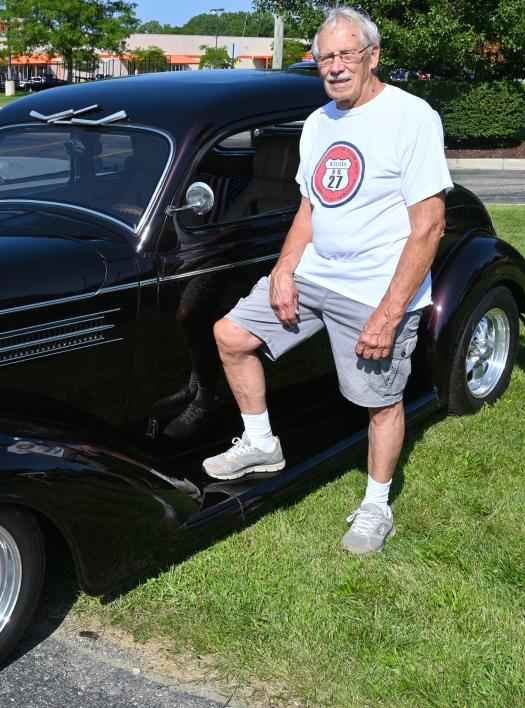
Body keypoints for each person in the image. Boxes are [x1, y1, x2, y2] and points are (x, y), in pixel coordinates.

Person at [201, 6, 453, 555]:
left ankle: (375, 505)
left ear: (372, 56)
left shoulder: (412, 117)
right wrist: (284, 271)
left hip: (373, 291)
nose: (335, 68)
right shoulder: (319, 123)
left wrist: (389, 315)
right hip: (316, 275)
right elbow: (309, 209)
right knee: (231, 336)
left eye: (346, 55)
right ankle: (261, 443)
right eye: (325, 59)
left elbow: (429, 226)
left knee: (378, 402)